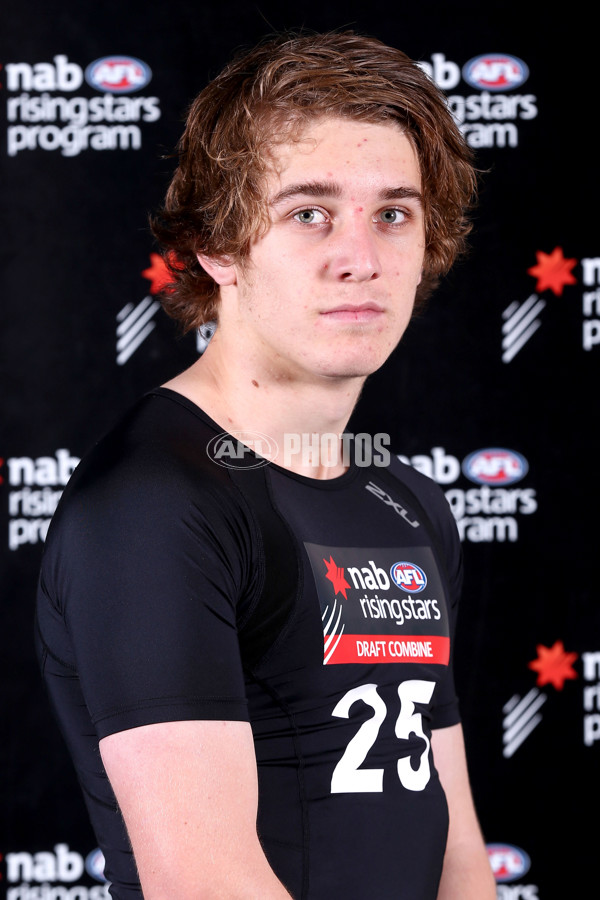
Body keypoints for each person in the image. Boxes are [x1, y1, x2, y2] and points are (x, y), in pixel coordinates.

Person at [35, 31, 496, 899]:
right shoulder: (156, 506)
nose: (360, 255)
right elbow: (204, 882)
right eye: (309, 213)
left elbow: (458, 852)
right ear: (218, 245)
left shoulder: (410, 504)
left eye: (393, 213)